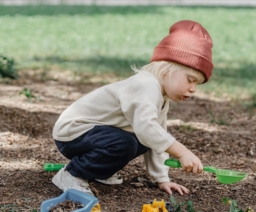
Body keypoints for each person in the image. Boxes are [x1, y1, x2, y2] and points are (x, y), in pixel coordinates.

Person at [51, 19, 213, 196]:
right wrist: (182, 152)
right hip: (73, 132)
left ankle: (98, 171)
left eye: (198, 84)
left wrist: (162, 179)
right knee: (126, 142)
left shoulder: (161, 96)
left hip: (94, 134)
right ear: (166, 71)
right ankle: (72, 174)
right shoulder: (146, 85)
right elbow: (147, 129)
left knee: (144, 139)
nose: (193, 89)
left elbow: (157, 137)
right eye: (190, 80)